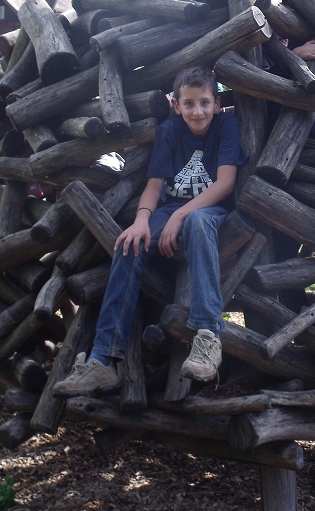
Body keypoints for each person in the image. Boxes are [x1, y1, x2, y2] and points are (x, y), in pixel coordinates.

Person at [53, 67, 249, 397]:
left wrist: (182, 214)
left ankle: (208, 336)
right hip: (169, 211)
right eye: (189, 104)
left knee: (197, 223)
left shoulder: (226, 125)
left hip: (211, 209)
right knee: (129, 243)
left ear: (217, 104)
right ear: (176, 106)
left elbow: (225, 184)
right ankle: (102, 360)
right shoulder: (170, 131)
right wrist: (142, 220)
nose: (197, 111)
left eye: (204, 103)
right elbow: (154, 187)